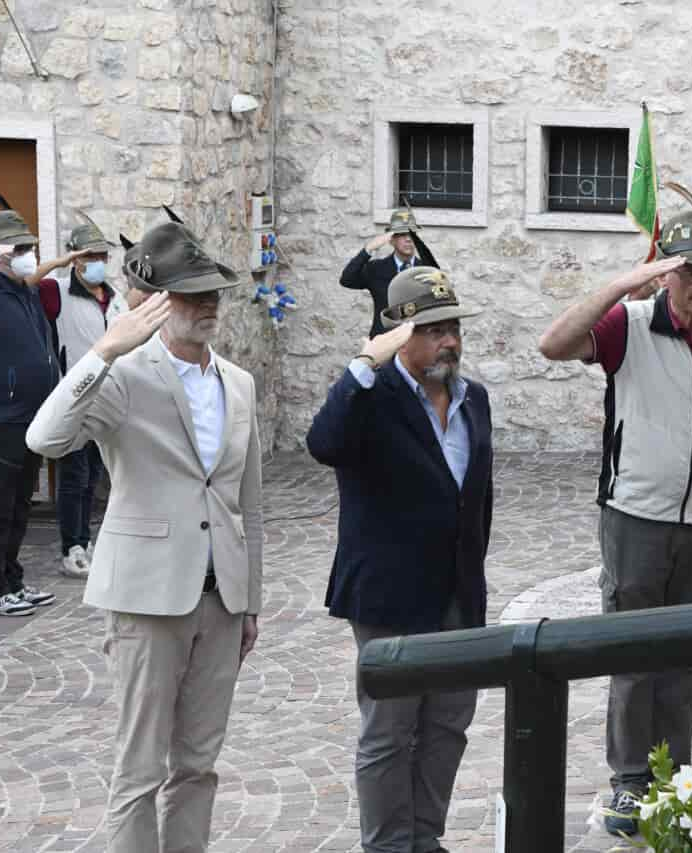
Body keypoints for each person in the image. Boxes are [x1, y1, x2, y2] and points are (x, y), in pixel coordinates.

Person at [26, 221, 263, 853]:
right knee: (139, 771)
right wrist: (103, 352)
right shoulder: (124, 376)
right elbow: (43, 440)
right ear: (152, 300)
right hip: (145, 597)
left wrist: (250, 600)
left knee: (198, 765)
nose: (208, 303)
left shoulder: (238, 384)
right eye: (191, 294)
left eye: (213, 290)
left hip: (221, 597)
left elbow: (249, 505)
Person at [538, 191, 692, 836]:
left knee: (685, 656)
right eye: (691, 271)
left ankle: (674, 775)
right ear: (665, 274)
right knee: (633, 654)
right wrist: (622, 284)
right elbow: (554, 344)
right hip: (637, 516)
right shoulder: (628, 326)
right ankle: (631, 781)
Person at [307, 266, 492, 853]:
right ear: (398, 334)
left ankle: (424, 838)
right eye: (433, 329)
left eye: (453, 326)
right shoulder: (371, 397)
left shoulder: (473, 400)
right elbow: (324, 444)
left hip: (458, 593)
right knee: (389, 731)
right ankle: (387, 846)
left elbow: (476, 501)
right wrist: (365, 363)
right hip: (390, 594)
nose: (449, 341)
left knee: (448, 725)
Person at [27, 216, 128, 579]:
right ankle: (72, 547)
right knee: (74, 476)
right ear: (76, 258)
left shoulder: (114, 298)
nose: (98, 261)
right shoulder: (57, 292)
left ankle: (85, 542)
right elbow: (27, 282)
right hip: (74, 396)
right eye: (90, 255)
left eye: (102, 254)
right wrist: (58, 263)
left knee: (94, 475)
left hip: (108, 398)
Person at [0, 193, 59, 616]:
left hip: (30, 417)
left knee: (19, 505)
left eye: (28, 247)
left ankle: (12, 579)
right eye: (18, 249)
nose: (26, 255)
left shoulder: (21, 289)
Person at [340, 204, 439, 339]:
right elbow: (347, 279)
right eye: (402, 234)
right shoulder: (376, 269)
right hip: (384, 343)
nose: (408, 239)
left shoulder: (427, 270)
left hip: (416, 344)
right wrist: (368, 249)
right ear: (391, 240)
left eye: (412, 234)